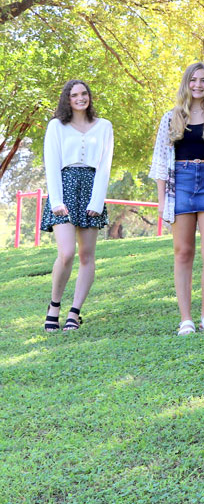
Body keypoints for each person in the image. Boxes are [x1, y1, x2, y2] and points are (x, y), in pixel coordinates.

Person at [150, 62, 204, 335]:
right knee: (183, 252)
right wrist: (162, 200)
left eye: (203, 80)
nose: (198, 85)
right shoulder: (171, 118)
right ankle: (186, 318)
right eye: (193, 80)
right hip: (181, 184)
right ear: (186, 83)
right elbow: (161, 162)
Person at [41, 80, 114, 333]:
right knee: (67, 253)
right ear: (67, 99)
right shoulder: (56, 126)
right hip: (64, 187)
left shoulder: (104, 126)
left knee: (86, 255)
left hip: (91, 188)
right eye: (75, 95)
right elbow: (51, 164)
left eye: (84, 94)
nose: (80, 98)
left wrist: (97, 200)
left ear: (89, 97)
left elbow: (105, 165)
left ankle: (74, 312)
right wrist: (57, 201)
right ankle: (54, 306)